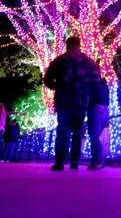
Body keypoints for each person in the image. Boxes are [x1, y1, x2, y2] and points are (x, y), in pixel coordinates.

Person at [44, 36, 101, 171]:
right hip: (81, 103)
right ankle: (74, 161)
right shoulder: (88, 62)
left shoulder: (60, 60)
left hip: (63, 101)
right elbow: (96, 80)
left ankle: (59, 161)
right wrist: (89, 96)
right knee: (78, 132)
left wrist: (57, 85)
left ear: (67, 45)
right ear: (79, 45)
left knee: (62, 130)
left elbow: (47, 79)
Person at [87, 75, 110, 170]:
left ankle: (98, 161)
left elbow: (89, 96)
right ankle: (95, 161)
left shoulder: (91, 82)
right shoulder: (103, 82)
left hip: (95, 108)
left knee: (94, 136)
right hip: (104, 109)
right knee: (94, 136)